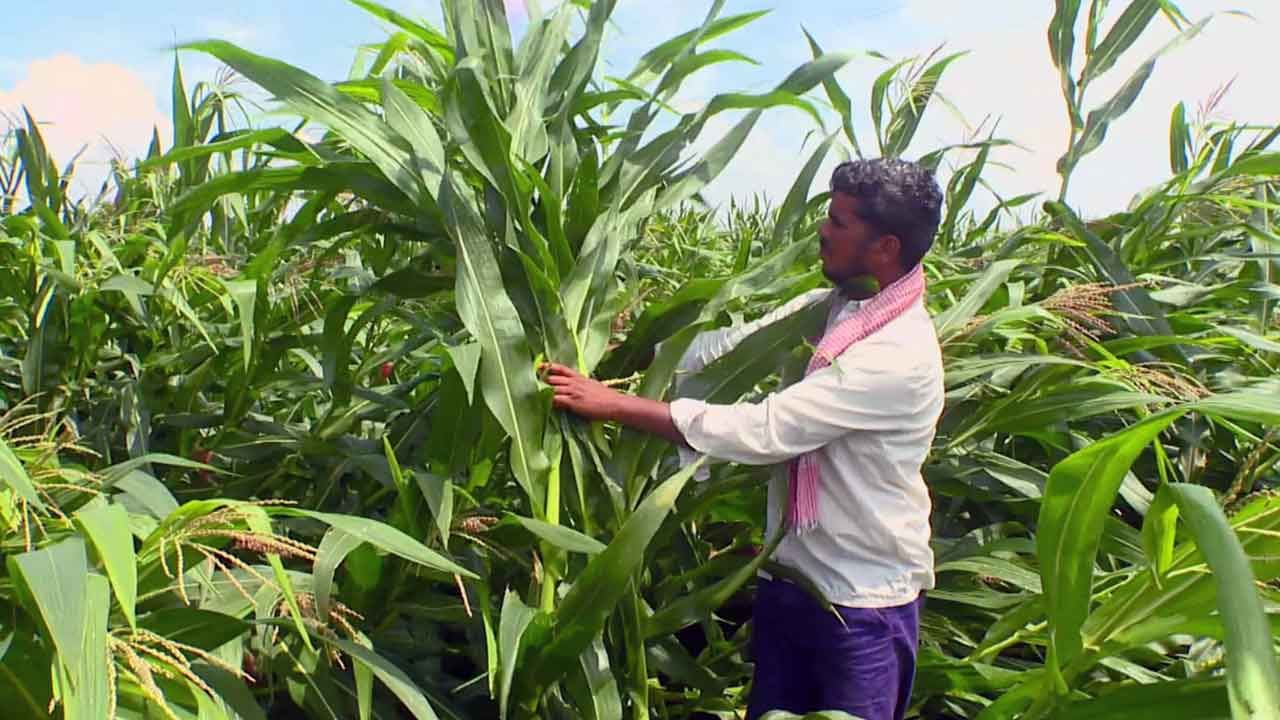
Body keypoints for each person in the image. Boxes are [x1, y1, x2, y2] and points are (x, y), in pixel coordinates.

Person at [541, 157, 946, 720]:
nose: (823, 231)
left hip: (860, 604)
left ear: (886, 247)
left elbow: (767, 431)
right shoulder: (841, 307)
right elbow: (729, 348)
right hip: (793, 577)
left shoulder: (896, 355)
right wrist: (620, 350)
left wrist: (617, 406)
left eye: (839, 221)